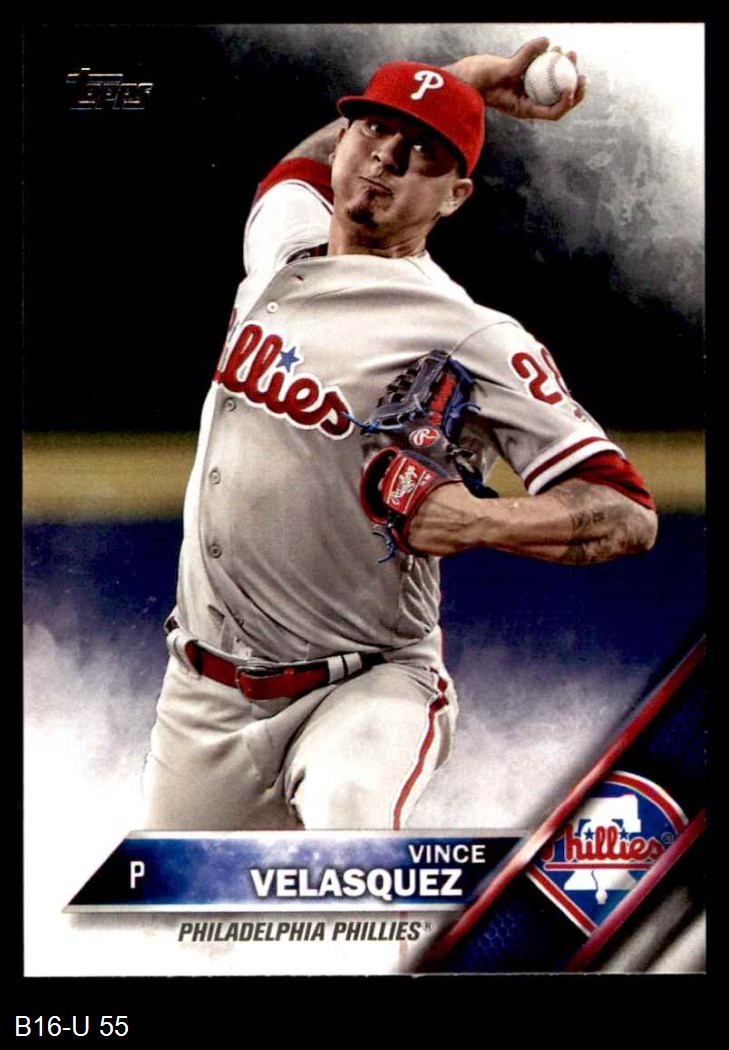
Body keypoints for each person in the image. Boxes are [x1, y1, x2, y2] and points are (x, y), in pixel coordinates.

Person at [142, 39, 657, 832]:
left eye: (421, 151)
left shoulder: (468, 331)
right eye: (373, 130)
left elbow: (626, 511)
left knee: (346, 829)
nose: (384, 156)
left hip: (363, 686)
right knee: (181, 907)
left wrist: (481, 519)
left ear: (455, 196)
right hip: (200, 697)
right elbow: (291, 173)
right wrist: (460, 84)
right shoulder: (283, 244)